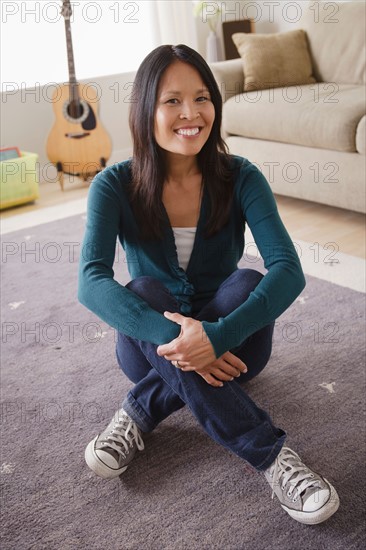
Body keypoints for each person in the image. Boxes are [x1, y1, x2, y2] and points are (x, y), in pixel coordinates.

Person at [78, 44, 339, 525]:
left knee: (246, 281)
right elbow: (91, 281)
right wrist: (178, 339)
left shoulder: (242, 176)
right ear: (145, 109)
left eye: (202, 98)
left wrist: (215, 336)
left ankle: (138, 412)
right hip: (149, 350)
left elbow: (289, 269)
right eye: (172, 101)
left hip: (235, 349)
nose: (191, 114)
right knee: (142, 293)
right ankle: (272, 457)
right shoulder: (113, 184)